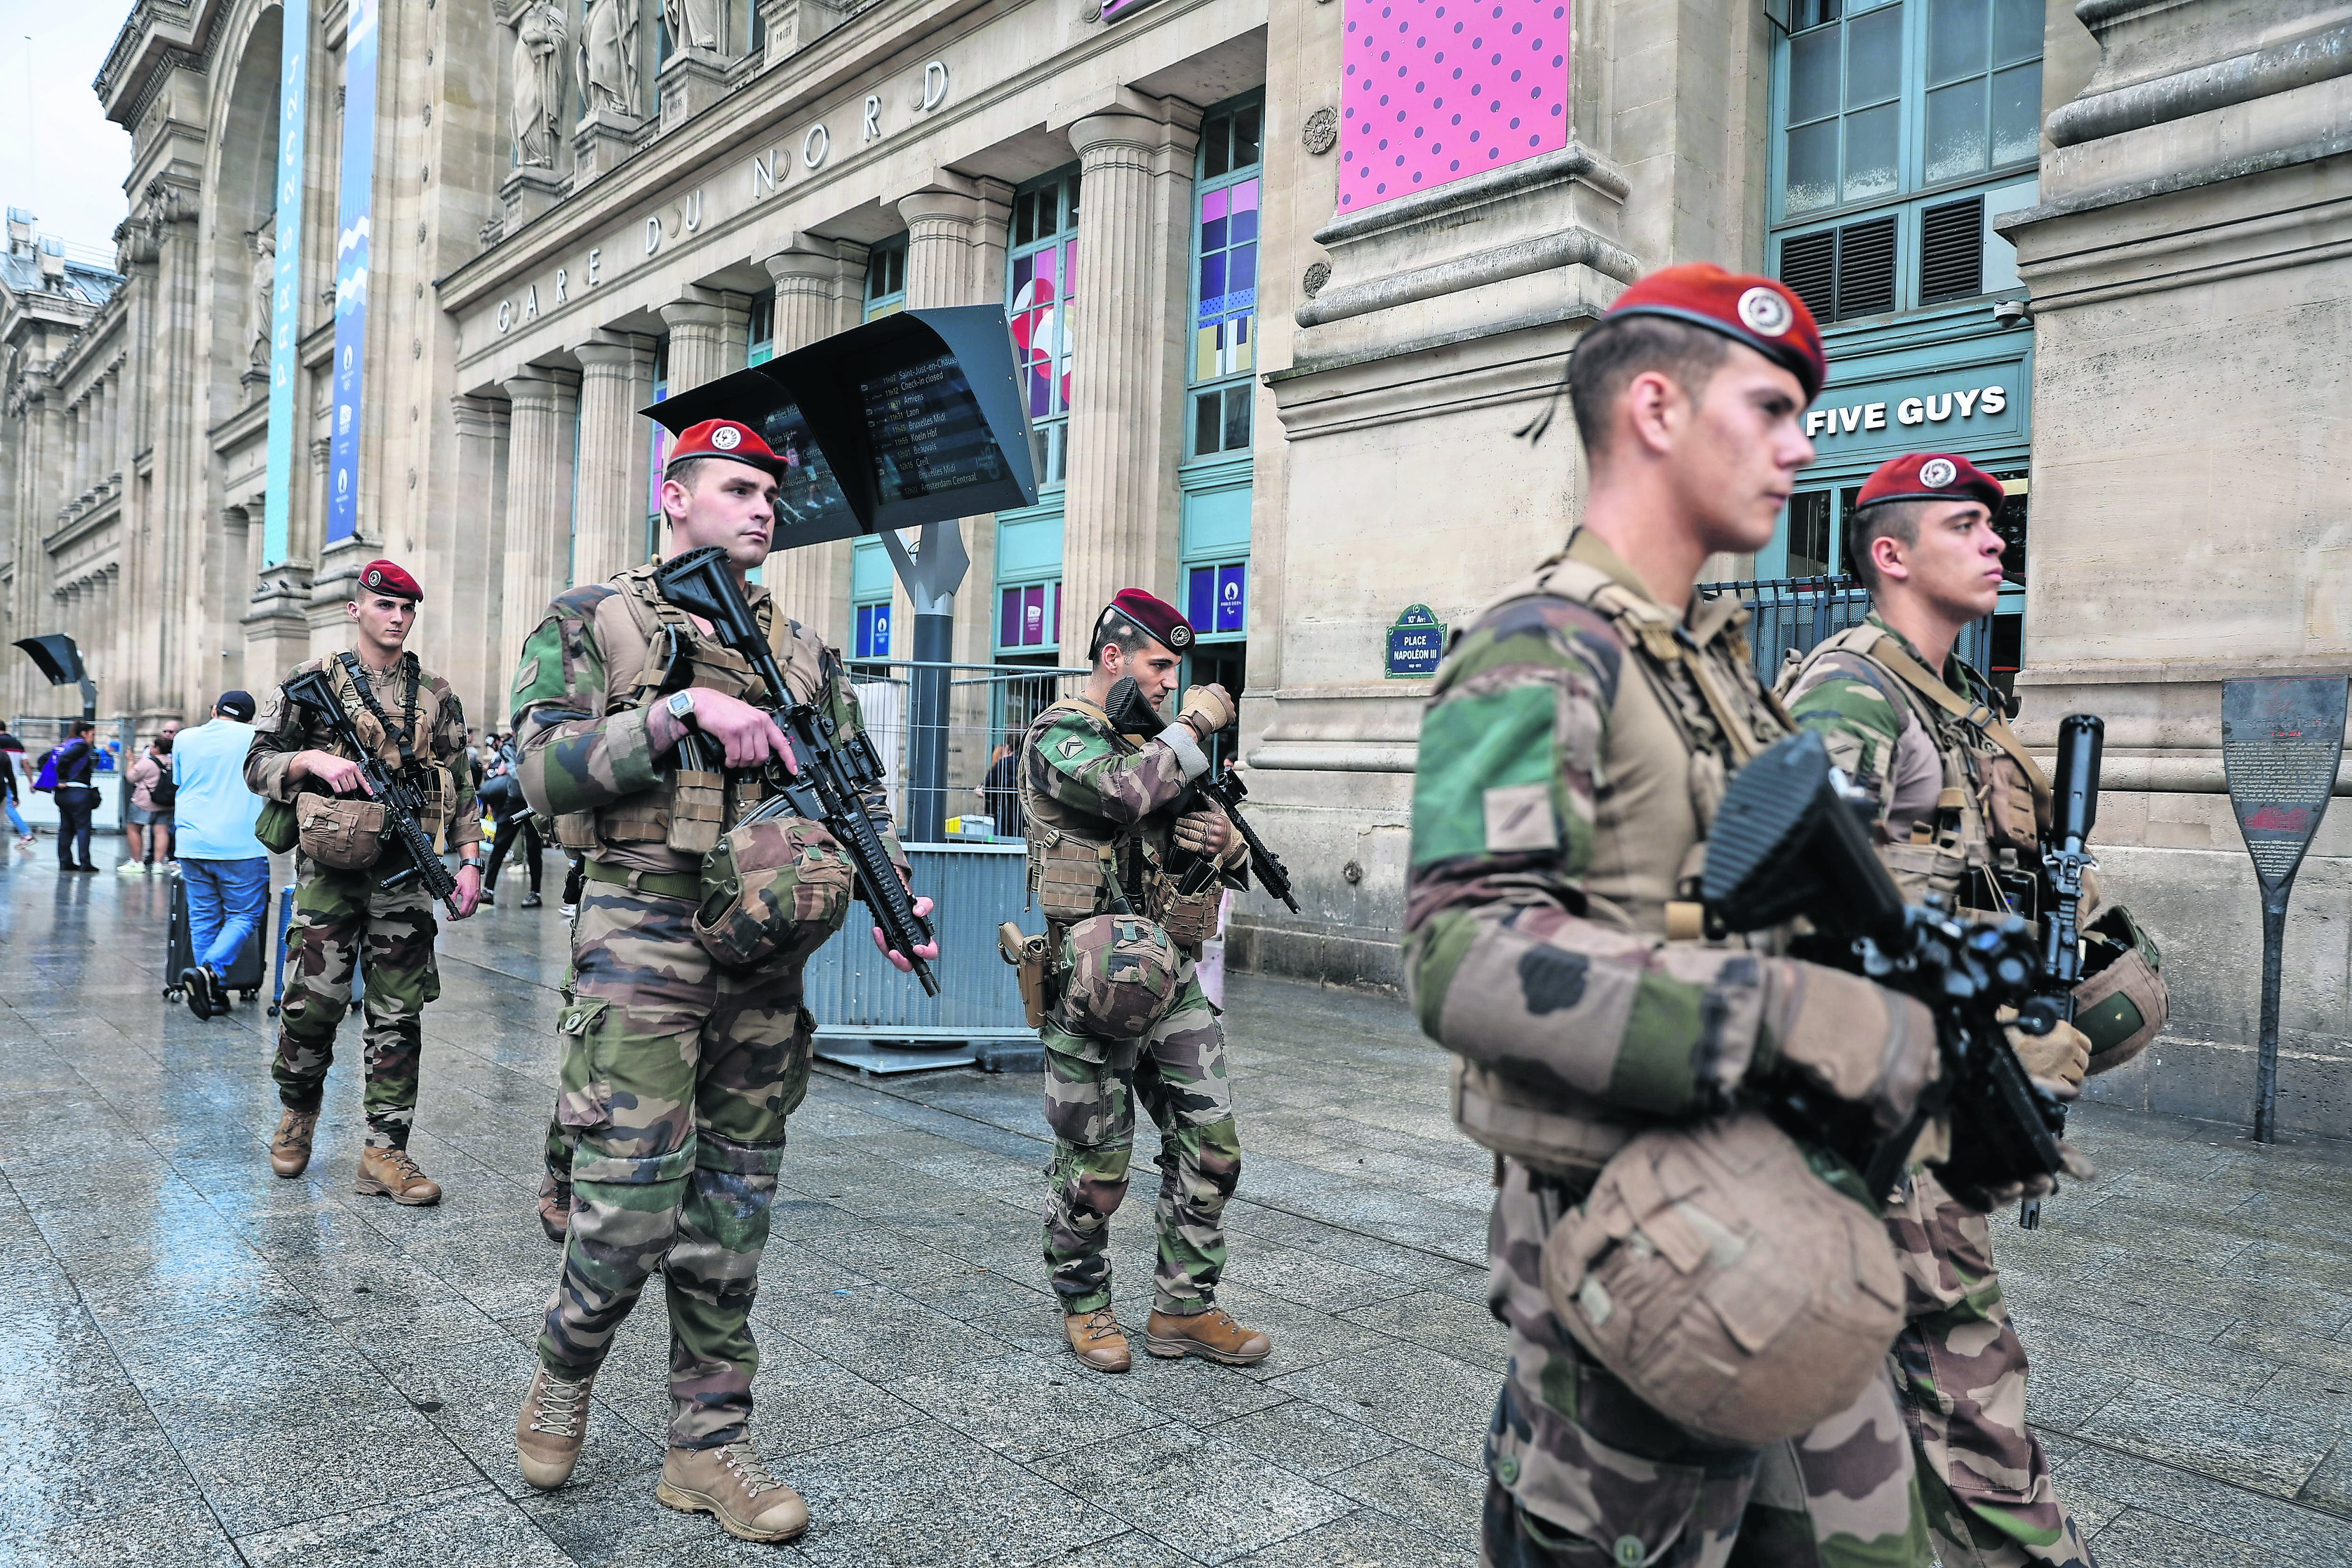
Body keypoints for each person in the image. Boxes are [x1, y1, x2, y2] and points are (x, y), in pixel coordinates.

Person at [1402, 265, 2043, 1566]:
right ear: (1653, 407)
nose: (1800, 443)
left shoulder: (1715, 667)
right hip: (1642, 1270)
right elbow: (1459, 948)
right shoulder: (1542, 648)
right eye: (1769, 406)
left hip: (1785, 1240)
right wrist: (1786, 1012)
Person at [507, 417, 933, 1544]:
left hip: (763, 955)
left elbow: (857, 797)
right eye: (737, 487)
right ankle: (565, 1367)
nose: (761, 508)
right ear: (676, 496)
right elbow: (538, 771)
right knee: (632, 1203)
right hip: (644, 935)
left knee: (734, 1206)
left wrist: (892, 899)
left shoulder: (805, 652)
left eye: (769, 494)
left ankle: (706, 1446)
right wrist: (676, 713)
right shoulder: (595, 619)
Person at [1781, 452, 2166, 1568]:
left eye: (1998, 526)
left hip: (1935, 1098)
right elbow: (1792, 911)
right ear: (1890, 555)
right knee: (1967, 1382)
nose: (1996, 540)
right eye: (1965, 523)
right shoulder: (1854, 692)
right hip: (1875, 1109)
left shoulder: (1962, 705)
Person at [1018, 589, 1268, 1377]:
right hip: (1091, 981)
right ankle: (1085, 1306)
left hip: (1172, 976)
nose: (1171, 681)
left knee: (1214, 1147)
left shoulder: (1152, 743)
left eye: (1178, 670)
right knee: (1097, 1170)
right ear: (1114, 656)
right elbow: (1128, 789)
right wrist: (1196, 723)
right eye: (1160, 665)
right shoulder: (1061, 732)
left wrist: (1225, 844)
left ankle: (1183, 1308)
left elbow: (1218, 855)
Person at [246, 560, 482, 1202]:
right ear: (357, 609)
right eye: (385, 605)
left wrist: (468, 860)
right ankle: (298, 1111)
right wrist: (311, 759)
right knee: (312, 1006)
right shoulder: (310, 683)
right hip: (331, 870)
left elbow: (461, 781)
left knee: (399, 1016)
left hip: (404, 878)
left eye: (407, 609)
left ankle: (386, 1150)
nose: (397, 618)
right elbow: (257, 762)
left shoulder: (436, 692)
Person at [174, 692, 272, 1020]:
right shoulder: (257, 737)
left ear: (215, 710)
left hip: (191, 841)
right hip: (240, 843)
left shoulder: (184, 738)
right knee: (244, 914)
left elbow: (179, 780)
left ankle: (212, 993)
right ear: (248, 716)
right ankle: (209, 972)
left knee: (203, 917)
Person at [481, 733, 545, 907]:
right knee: (500, 846)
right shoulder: (509, 747)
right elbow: (516, 773)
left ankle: (535, 893)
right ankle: (488, 890)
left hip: (532, 803)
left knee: (534, 849)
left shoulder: (536, 742)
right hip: (516, 801)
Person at [51, 720, 101, 872]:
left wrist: (57, 780)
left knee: (66, 828)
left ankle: (65, 861)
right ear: (84, 733)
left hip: (63, 794)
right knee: (83, 828)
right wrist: (62, 778)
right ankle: (85, 862)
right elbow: (63, 760)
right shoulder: (81, 746)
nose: (93, 739)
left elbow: (44, 759)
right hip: (78, 792)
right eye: (93, 735)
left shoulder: (65, 744)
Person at [124, 733, 176, 871]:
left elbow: (131, 778)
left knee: (134, 829)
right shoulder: (173, 762)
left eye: (153, 746)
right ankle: (158, 865)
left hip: (144, 802)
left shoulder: (148, 762)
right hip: (166, 802)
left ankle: (137, 862)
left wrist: (131, 761)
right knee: (162, 831)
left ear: (157, 749)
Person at [0, 718, 32, 846]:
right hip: (12, 778)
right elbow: (26, 763)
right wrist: (31, 781)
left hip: (3, 779)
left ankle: (27, 834)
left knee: (8, 808)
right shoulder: (18, 744)